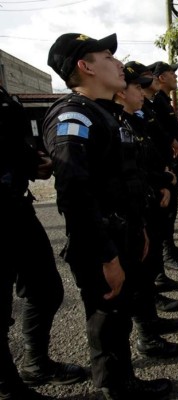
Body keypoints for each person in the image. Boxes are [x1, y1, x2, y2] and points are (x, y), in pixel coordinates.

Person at [42, 33, 172, 399]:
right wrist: (106, 255)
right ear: (85, 67)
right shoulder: (73, 116)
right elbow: (74, 196)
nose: (118, 63)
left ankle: (124, 381)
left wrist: (140, 231)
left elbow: (125, 182)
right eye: (106, 56)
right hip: (101, 242)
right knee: (108, 319)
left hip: (124, 233)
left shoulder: (107, 113)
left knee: (119, 316)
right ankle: (117, 389)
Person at [0, 82, 85, 399]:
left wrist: (32, 163)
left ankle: (35, 364)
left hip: (16, 205)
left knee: (45, 288)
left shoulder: (4, 95)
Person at [114, 65, 178, 358]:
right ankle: (146, 337)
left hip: (149, 198)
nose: (142, 93)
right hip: (131, 211)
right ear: (122, 92)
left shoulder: (132, 120)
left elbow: (148, 158)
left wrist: (164, 180)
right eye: (137, 87)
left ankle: (150, 324)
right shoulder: (114, 122)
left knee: (147, 266)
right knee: (138, 276)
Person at [124, 61, 178, 294]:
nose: (148, 83)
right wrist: (161, 176)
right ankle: (159, 273)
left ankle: (160, 271)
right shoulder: (138, 110)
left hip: (161, 172)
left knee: (163, 222)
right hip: (152, 178)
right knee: (153, 231)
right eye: (141, 82)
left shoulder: (151, 104)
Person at [148, 61, 178, 272]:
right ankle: (167, 254)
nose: (176, 76)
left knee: (172, 210)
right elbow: (155, 133)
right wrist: (169, 142)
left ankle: (171, 247)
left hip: (173, 161)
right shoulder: (156, 101)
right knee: (166, 212)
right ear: (161, 77)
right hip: (166, 162)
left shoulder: (164, 100)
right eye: (171, 73)